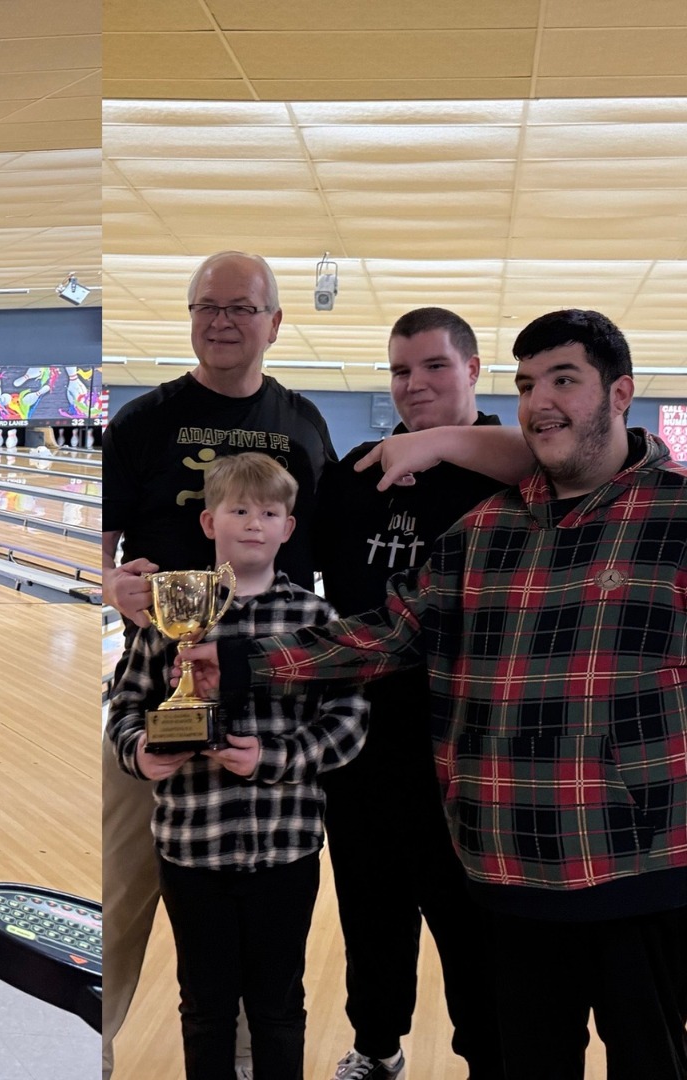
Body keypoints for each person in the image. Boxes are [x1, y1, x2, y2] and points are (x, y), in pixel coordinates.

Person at [185, 309, 687, 1079]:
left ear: (621, 393)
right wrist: (242, 660)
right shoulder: (485, 529)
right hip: (511, 873)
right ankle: (378, 1043)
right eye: (529, 384)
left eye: (564, 380)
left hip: (639, 872)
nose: (541, 401)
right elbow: (387, 631)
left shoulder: (675, 516)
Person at [99, 251, 335, 1077]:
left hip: (271, 692)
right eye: (207, 306)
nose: (222, 321)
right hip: (159, 677)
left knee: (261, 954)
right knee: (123, 894)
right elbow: (94, 549)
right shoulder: (143, 420)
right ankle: (94, 1045)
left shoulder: (304, 423)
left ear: (275, 322)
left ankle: (242, 1061)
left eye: (241, 307)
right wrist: (109, 584)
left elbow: (322, 548)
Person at [109, 453, 367, 1080]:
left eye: (270, 513)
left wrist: (273, 758)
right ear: (209, 522)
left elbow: (349, 720)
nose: (255, 523)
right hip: (191, 846)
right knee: (204, 1006)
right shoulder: (170, 610)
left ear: (289, 527)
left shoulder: (316, 621)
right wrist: (140, 751)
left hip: (286, 846)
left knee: (278, 1006)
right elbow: (126, 705)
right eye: (240, 510)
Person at [312, 309, 507, 1080]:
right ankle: (377, 1047)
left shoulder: (517, 475)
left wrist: (440, 443)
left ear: (474, 370)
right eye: (400, 370)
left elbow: (613, 460)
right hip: (364, 742)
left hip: (471, 750)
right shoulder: (356, 475)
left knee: (473, 929)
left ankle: (488, 1058)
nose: (414, 384)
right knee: (371, 915)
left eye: (434, 366)